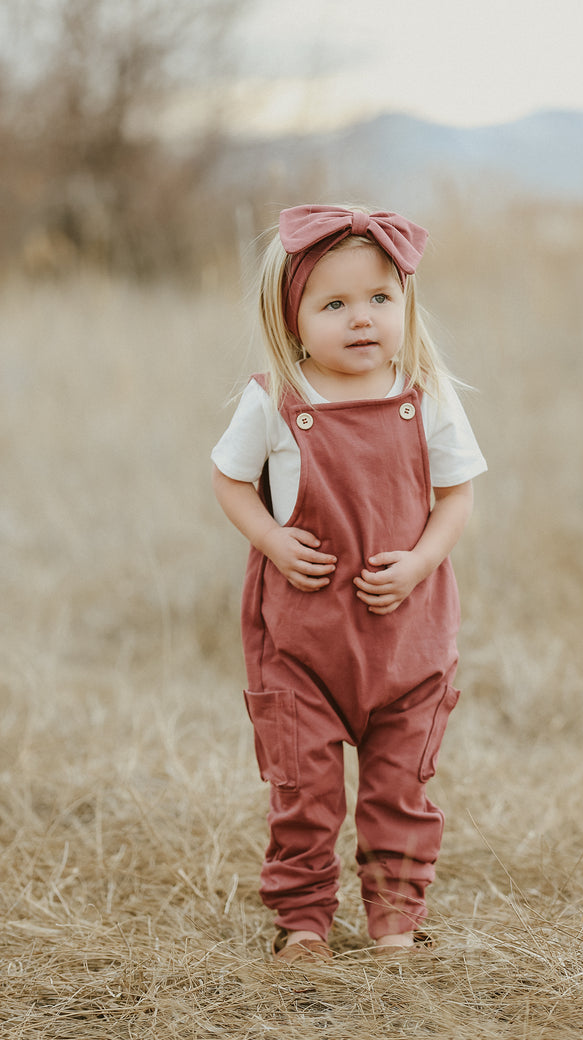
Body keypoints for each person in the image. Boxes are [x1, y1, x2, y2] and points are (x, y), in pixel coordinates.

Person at [211, 204, 487, 963]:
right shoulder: (275, 400)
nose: (361, 319)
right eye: (334, 304)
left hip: (409, 642)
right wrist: (271, 536)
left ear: (404, 306)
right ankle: (303, 922)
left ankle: (395, 921)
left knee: (400, 789)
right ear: (293, 318)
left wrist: (420, 562)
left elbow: (455, 497)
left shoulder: (425, 393)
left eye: (379, 300)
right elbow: (230, 481)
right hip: (302, 644)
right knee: (305, 792)